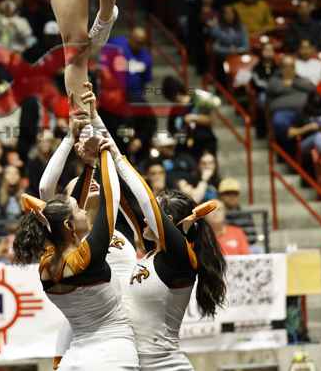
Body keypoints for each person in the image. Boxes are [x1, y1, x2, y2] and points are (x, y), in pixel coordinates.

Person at [95, 132, 226, 371]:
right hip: (135, 364)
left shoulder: (180, 258)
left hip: (166, 366)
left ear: (169, 224)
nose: (145, 218)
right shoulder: (153, 252)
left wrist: (116, 154)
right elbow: (123, 200)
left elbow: (145, 200)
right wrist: (99, 141)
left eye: (154, 214)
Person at [13, 139, 139, 370]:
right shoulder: (89, 250)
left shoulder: (48, 260)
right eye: (78, 206)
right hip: (111, 349)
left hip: (80, 354)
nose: (82, 208)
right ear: (68, 225)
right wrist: (105, 155)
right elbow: (111, 199)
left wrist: (90, 165)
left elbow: (52, 213)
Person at [267, 56, 313, 148]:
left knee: (319, 122)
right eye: (285, 66)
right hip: (284, 112)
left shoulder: (301, 79)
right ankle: (289, 148)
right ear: (281, 68)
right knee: (279, 121)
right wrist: (298, 87)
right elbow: (276, 89)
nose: (288, 69)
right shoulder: (274, 81)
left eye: (291, 66)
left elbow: (312, 88)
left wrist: (292, 83)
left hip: (305, 112)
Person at [218, 177, 257, 247]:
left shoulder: (245, 215)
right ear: (220, 196)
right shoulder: (215, 214)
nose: (232, 196)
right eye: (227, 193)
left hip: (243, 247)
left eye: (235, 193)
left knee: (257, 249)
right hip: (222, 247)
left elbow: (252, 238)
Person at [251, 42, 277, 138]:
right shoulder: (256, 67)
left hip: (277, 92)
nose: (268, 52)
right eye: (266, 50)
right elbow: (257, 83)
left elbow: (280, 80)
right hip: (263, 93)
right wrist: (271, 86)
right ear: (262, 52)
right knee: (263, 99)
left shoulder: (278, 67)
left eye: (271, 50)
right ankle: (264, 130)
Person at [210, 5, 249, 69]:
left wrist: (237, 50)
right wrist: (228, 50)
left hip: (239, 55)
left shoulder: (242, 27)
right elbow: (215, 47)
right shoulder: (217, 29)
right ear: (223, 15)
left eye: (231, 13)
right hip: (223, 56)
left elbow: (246, 46)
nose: (229, 15)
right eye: (226, 13)